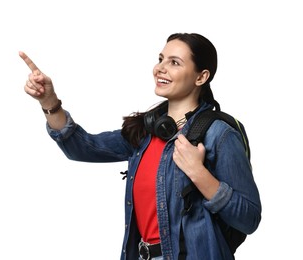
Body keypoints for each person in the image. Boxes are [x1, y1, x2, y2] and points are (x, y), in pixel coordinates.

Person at [20, 33, 262, 260]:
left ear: (201, 77)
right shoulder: (146, 132)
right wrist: (49, 102)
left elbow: (249, 218)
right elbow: (81, 148)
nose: (160, 68)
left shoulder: (220, 134)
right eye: (160, 59)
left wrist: (198, 173)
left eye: (175, 62)